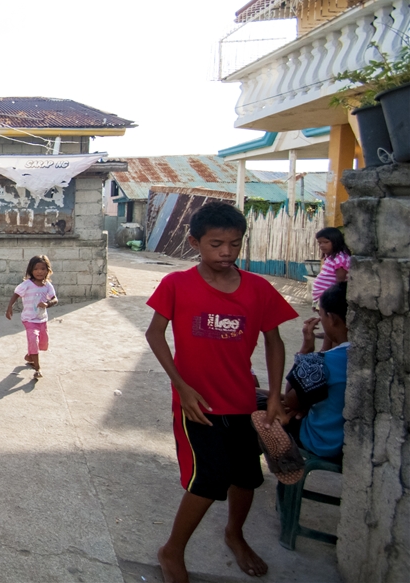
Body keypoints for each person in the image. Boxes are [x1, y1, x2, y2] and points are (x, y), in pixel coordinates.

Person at [144, 201, 298, 583]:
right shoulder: (176, 284)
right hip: (197, 405)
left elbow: (274, 342)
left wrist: (275, 396)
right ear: (195, 242)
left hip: (244, 403)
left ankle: (235, 533)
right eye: (216, 244)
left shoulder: (259, 290)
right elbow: (154, 334)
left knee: (247, 477)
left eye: (234, 243)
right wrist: (181, 385)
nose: (226, 252)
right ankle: (172, 550)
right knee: (209, 480)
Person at [284, 282, 348, 460]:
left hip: (322, 443)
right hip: (348, 445)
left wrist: (305, 349)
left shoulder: (321, 362)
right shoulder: (362, 356)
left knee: (269, 416)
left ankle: (287, 474)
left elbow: (290, 400)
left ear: (331, 318)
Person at [5, 255, 57, 380]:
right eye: (36, 269)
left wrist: (47, 304)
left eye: (43, 269)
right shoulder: (27, 284)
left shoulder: (47, 286)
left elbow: (55, 299)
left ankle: (30, 356)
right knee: (33, 340)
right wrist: (9, 307)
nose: (39, 272)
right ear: (31, 271)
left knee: (43, 343)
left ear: (47, 270)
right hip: (29, 319)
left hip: (42, 319)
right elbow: (16, 294)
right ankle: (38, 368)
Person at [311, 227, 350, 307]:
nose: (322, 245)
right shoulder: (331, 257)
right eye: (319, 243)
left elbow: (340, 283)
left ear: (336, 241)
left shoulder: (340, 258)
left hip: (330, 300)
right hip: (323, 299)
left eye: (326, 242)